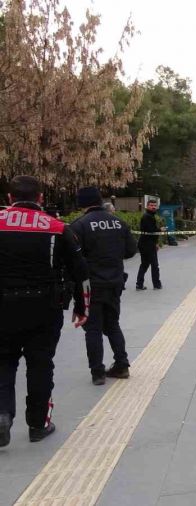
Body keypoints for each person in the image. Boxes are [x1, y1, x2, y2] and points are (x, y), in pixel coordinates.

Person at [0, 176, 90, 446]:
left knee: (3, 363)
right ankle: (38, 424)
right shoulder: (58, 228)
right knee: (40, 365)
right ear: (40, 198)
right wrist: (82, 307)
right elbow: (81, 272)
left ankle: (2, 413)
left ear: (9, 199)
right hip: (44, 308)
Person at [70, 187, 138, 385]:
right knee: (113, 324)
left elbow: (73, 259)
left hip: (91, 285)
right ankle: (122, 365)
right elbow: (131, 251)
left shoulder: (79, 225)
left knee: (93, 329)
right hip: (115, 282)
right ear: (100, 201)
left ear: (81, 204)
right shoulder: (119, 222)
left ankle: (97, 373)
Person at [136, 199, 162, 290]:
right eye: (151, 205)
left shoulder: (150, 215)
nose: (153, 207)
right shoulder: (148, 216)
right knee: (154, 265)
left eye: (155, 205)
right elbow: (151, 231)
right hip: (148, 245)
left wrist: (155, 243)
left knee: (144, 264)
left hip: (146, 243)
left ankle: (139, 284)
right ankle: (157, 285)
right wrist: (160, 230)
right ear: (147, 206)